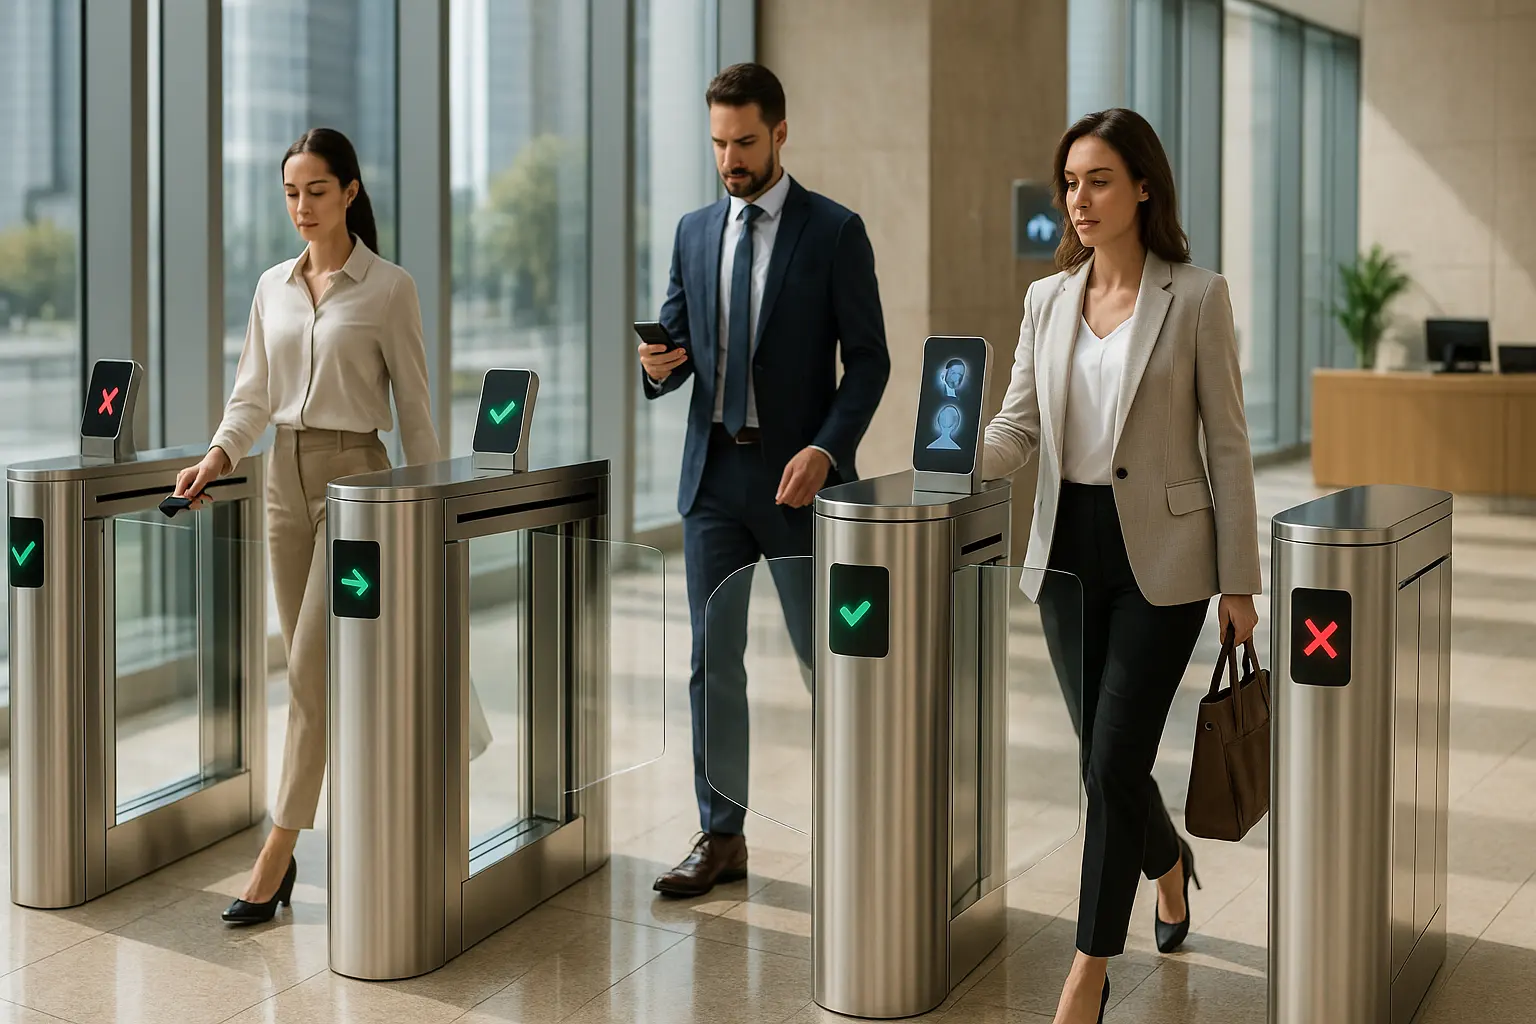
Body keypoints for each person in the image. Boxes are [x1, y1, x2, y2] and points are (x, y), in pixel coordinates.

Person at [981, 108, 1261, 1024]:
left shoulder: (1197, 295)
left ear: (1143, 186)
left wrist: (1239, 581)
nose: (1079, 200)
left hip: (1165, 559)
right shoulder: (1047, 300)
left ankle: (1088, 969)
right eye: (1070, 182)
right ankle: (1169, 861)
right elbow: (1019, 427)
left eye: (1098, 180)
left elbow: (1229, 445)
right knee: (1106, 762)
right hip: (1065, 549)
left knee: (1110, 759)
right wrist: (952, 458)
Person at [173, 128, 440, 925]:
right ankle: (381, 814)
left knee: (309, 675)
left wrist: (435, 510)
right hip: (281, 483)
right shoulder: (271, 287)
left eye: (316, 191)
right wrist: (217, 458)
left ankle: (274, 856)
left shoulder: (389, 288)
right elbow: (252, 394)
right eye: (291, 192)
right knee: (316, 671)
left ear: (351, 191)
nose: (301, 207)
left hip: (358, 478)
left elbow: (416, 414)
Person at [639, 62, 889, 898]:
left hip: (800, 484)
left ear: (780, 133)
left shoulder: (834, 232)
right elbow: (677, 348)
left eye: (744, 141)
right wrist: (655, 363)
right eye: (717, 142)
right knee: (715, 662)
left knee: (834, 661)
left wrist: (826, 450)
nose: (729, 157)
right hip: (713, 480)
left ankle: (865, 827)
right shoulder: (693, 230)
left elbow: (870, 360)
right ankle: (721, 836)